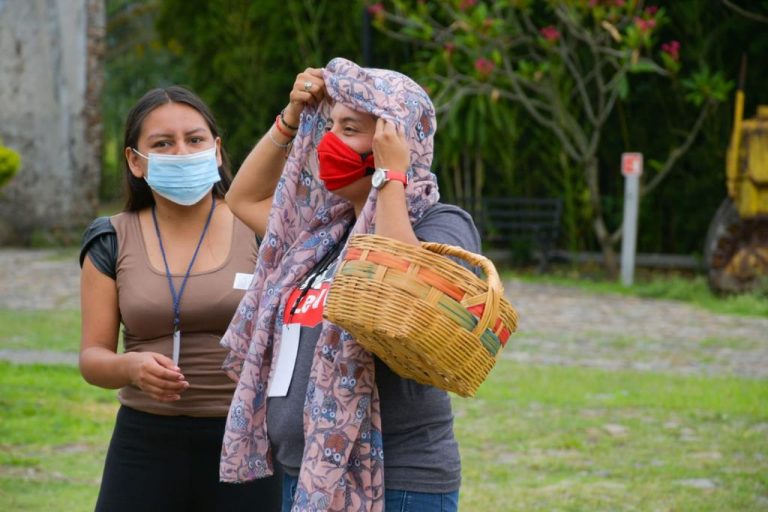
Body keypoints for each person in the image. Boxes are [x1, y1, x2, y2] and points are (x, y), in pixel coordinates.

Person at [219, 58, 480, 512]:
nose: (329, 141)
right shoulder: (322, 235)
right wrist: (289, 120)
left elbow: (404, 296)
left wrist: (392, 179)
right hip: (310, 479)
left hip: (397, 481)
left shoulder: (439, 222)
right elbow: (243, 199)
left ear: (392, 140)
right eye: (329, 126)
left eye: (350, 128)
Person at [78, 85, 281, 512]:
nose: (182, 152)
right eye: (163, 144)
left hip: (248, 442)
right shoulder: (110, 238)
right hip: (145, 443)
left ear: (217, 150)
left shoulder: (261, 228)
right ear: (135, 160)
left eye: (195, 139)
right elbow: (93, 358)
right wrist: (130, 367)